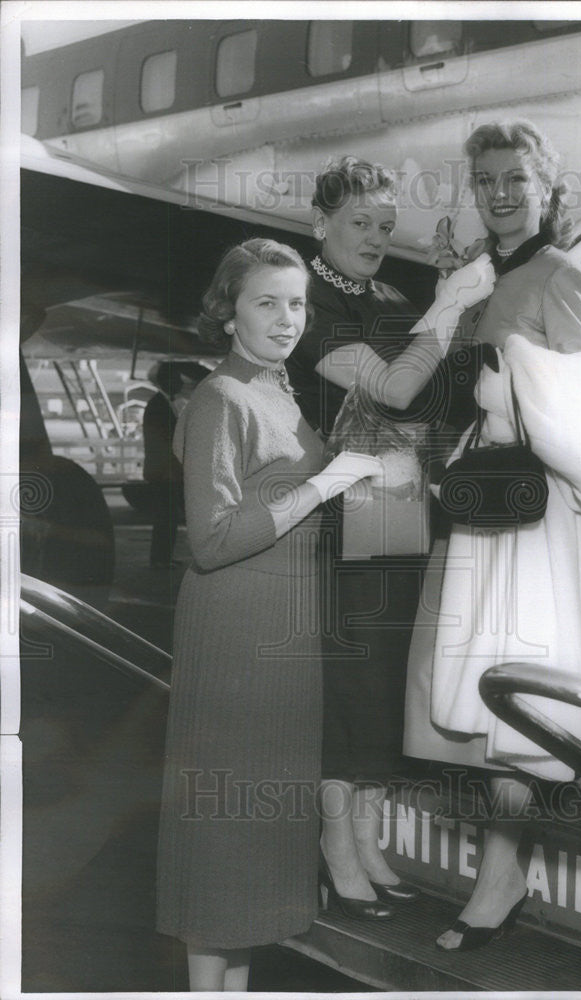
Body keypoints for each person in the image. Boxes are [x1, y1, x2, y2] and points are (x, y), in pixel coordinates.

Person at [403, 120, 581, 950]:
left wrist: (510, 373)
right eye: (486, 181)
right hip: (484, 506)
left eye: (516, 178)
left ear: (546, 186)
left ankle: (499, 877)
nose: (501, 193)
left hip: (538, 513)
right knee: (483, 694)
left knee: (518, 697)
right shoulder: (479, 275)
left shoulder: (559, 272)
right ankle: (500, 867)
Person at [155, 238, 385, 990]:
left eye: (297, 303)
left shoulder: (278, 392)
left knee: (258, 840)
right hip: (236, 630)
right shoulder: (222, 398)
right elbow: (214, 539)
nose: (287, 318)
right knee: (223, 832)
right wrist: (324, 486)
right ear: (228, 313)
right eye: (267, 302)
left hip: (283, 631)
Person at [286, 156, 495, 918]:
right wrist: (448, 306)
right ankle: (335, 849)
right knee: (350, 686)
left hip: (399, 506)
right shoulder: (300, 300)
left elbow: (433, 399)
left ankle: (367, 844)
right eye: (358, 224)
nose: (375, 236)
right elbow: (396, 387)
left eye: (383, 224)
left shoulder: (389, 295)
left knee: (379, 685)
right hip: (339, 509)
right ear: (320, 225)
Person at [140, 361, 208, 567]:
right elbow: (166, 442)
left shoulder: (160, 403)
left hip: (164, 471)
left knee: (167, 519)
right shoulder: (160, 405)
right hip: (166, 472)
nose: (181, 383)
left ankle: (161, 559)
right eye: (177, 379)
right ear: (167, 380)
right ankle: (161, 561)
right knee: (168, 519)